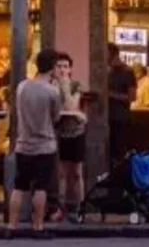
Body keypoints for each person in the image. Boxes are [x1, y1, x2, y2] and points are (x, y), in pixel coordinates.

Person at [8, 48, 63, 234]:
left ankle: (12, 225)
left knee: (19, 185)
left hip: (23, 144)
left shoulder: (22, 86)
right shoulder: (52, 91)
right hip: (44, 146)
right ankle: (38, 226)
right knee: (41, 188)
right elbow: (56, 117)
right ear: (52, 67)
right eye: (57, 66)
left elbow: (17, 111)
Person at [53, 52, 87, 222]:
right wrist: (76, 114)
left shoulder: (75, 85)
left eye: (65, 66)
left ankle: (80, 208)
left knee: (77, 173)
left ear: (71, 69)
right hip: (61, 134)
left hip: (77, 133)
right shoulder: (51, 86)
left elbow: (71, 105)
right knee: (61, 174)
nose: (62, 70)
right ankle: (61, 209)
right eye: (59, 66)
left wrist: (65, 86)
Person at [107, 43, 137, 163]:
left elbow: (132, 97)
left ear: (111, 54)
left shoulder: (127, 72)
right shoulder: (108, 71)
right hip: (108, 119)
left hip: (121, 119)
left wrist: (110, 94)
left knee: (120, 154)